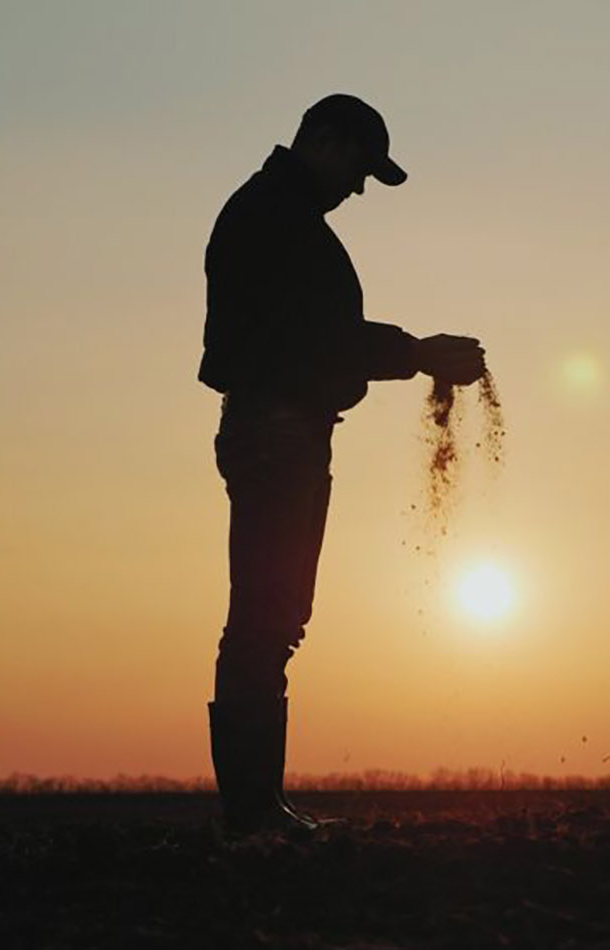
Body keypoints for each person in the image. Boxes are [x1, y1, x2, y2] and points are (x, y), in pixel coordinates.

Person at [198, 93, 486, 834]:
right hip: (277, 431)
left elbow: (321, 335)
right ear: (324, 142)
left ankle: (257, 808)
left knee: (275, 617)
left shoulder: (281, 219)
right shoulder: (272, 220)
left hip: (286, 430)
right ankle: (254, 813)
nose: (358, 188)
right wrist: (416, 355)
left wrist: (410, 354)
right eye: (359, 169)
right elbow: (313, 339)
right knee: (265, 620)